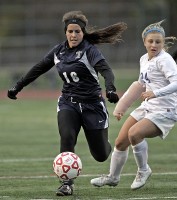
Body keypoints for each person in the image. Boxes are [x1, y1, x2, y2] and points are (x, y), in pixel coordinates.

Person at [7, 11, 127, 196]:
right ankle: (66, 183)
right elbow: (38, 68)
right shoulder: (58, 51)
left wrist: (110, 89)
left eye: (77, 31)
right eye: (70, 31)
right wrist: (18, 86)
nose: (73, 35)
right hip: (68, 103)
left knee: (101, 155)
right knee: (67, 137)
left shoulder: (89, 50)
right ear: (65, 32)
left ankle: (104, 141)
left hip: (92, 105)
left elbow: (106, 71)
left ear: (83, 32)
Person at [91, 20, 177, 190]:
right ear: (144, 41)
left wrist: (155, 93)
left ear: (162, 42)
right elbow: (139, 84)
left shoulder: (165, 60)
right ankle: (113, 178)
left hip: (165, 109)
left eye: (158, 41)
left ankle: (143, 170)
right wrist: (121, 107)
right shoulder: (144, 59)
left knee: (134, 134)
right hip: (148, 107)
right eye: (150, 41)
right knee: (120, 142)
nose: (154, 44)